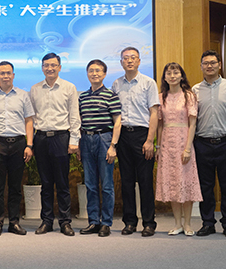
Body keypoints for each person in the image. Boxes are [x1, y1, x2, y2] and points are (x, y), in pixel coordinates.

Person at [193, 50, 226, 239]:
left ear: (219, 65)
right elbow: (192, 119)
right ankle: (208, 223)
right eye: (205, 63)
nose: (209, 66)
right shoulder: (195, 90)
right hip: (202, 144)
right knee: (205, 187)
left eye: (213, 63)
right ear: (201, 66)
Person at [30, 52, 81, 236]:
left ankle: (65, 222)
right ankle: (47, 221)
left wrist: (74, 140)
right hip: (41, 138)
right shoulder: (35, 89)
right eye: (46, 65)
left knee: (62, 183)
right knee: (45, 183)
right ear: (42, 68)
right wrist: (31, 143)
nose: (50, 68)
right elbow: (31, 117)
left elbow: (74, 116)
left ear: (59, 67)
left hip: (61, 138)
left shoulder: (69, 87)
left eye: (53, 65)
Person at [112, 46, 160, 237]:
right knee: (126, 182)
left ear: (139, 61)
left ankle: (149, 223)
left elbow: (154, 113)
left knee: (146, 181)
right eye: (126, 58)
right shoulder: (116, 84)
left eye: (133, 57)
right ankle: (130, 222)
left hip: (142, 135)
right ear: (121, 62)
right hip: (123, 135)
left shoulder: (148, 83)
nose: (129, 60)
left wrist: (150, 141)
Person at [0, 61, 35, 237]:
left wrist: (29, 145)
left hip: (18, 144)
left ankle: (14, 222)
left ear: (13, 75)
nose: (5, 76)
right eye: (2, 73)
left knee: (15, 187)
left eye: (8, 73)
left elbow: (29, 121)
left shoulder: (23, 95)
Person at [155, 62, 202, 236]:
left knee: (186, 183)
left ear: (181, 76)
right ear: (164, 77)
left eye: (176, 73)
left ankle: (188, 224)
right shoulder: (161, 97)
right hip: (167, 145)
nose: (172, 76)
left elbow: (193, 123)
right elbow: (160, 125)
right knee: (173, 184)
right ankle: (177, 224)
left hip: (184, 143)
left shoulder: (189, 96)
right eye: (169, 73)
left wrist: (188, 148)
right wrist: (158, 146)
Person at [78, 59, 121, 237]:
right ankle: (94, 221)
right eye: (91, 70)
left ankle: (106, 223)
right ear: (87, 74)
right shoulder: (82, 97)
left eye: (98, 71)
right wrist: (79, 145)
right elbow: (79, 122)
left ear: (104, 74)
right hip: (86, 140)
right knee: (90, 184)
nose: (94, 73)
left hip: (105, 139)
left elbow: (117, 122)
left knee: (107, 185)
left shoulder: (111, 95)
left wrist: (113, 146)